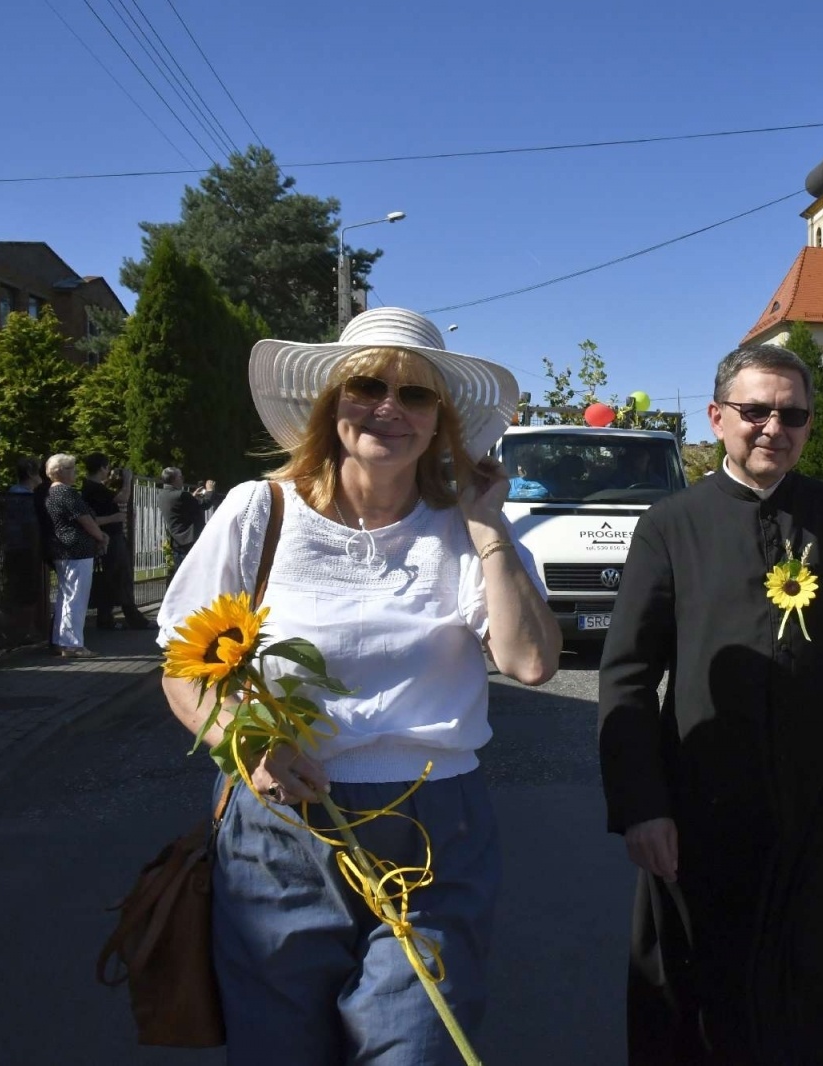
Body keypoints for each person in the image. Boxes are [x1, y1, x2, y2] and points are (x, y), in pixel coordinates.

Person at [156, 306, 561, 1064]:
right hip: (282, 823)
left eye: (415, 395)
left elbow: (532, 663)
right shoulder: (261, 511)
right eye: (368, 386)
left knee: (417, 1047)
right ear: (330, 403)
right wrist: (249, 746)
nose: (388, 408)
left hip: (435, 829)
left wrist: (487, 527)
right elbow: (184, 662)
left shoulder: (468, 529)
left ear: (439, 421)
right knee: (282, 1049)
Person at [598, 343, 823, 1064]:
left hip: (813, 797)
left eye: (792, 414)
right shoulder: (671, 523)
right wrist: (641, 805)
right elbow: (629, 674)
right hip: (702, 801)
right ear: (716, 418)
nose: (774, 427)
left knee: (816, 974)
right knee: (704, 983)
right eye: (756, 410)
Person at [44, 454, 109, 659]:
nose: (76, 472)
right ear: (60, 471)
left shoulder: (51, 492)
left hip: (63, 549)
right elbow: (86, 520)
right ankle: (73, 645)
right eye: (71, 468)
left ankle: (61, 641)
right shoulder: (66, 493)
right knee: (76, 598)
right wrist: (101, 537)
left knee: (65, 596)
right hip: (77, 550)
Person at [80, 454, 149, 630]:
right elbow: (122, 498)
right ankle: (133, 618)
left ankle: (105, 618)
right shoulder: (95, 489)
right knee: (122, 577)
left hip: (106, 537)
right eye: (108, 467)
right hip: (111, 538)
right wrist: (127, 480)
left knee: (109, 578)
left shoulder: (89, 488)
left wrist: (109, 482)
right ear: (102, 468)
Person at [0, 457, 46, 642]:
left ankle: (24, 629)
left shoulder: (17, 495)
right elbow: (29, 526)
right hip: (24, 549)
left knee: (24, 589)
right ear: (31, 474)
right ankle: (22, 631)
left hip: (19, 547)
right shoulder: (23, 498)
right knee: (25, 590)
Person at [157, 466, 204, 576]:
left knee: (182, 574)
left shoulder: (162, 495)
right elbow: (204, 505)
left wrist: (192, 497)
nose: (182, 479)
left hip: (177, 541)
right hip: (190, 540)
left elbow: (180, 507)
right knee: (195, 574)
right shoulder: (182, 494)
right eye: (180, 477)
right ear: (174, 479)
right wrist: (210, 491)